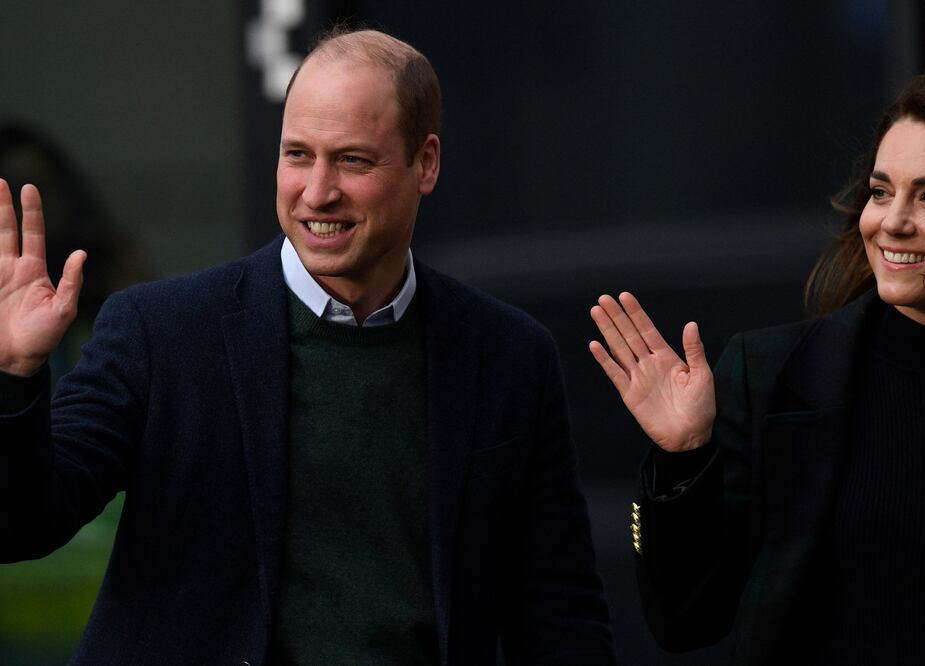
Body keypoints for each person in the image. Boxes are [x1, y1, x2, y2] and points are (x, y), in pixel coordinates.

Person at [0, 28, 614, 664]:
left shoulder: (510, 357)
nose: (317, 193)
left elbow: (560, 614)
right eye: (298, 155)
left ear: (425, 163)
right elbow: (20, 524)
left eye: (353, 160)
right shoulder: (162, 334)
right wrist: (15, 377)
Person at [590, 75, 925, 666]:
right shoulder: (772, 377)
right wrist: (684, 458)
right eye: (882, 192)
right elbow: (685, 621)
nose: (893, 222)